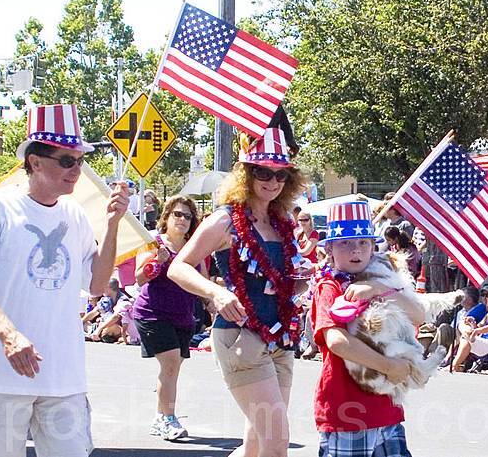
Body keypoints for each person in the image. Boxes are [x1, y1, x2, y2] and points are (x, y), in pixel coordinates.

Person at [0, 104, 129, 457]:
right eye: (67, 160)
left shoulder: (75, 216)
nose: (77, 169)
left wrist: (112, 225)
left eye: (80, 159)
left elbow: (96, 285)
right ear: (35, 161)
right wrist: (10, 335)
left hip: (63, 380)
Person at [168, 120, 307, 457]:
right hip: (240, 336)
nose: (272, 181)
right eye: (263, 172)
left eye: (280, 174)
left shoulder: (283, 222)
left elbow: (283, 278)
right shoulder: (225, 219)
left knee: (257, 443)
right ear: (246, 173)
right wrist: (215, 292)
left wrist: (299, 282)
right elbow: (178, 267)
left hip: (281, 338)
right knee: (277, 441)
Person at [312, 201, 424, 457]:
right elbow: (337, 341)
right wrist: (389, 367)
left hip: (386, 406)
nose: (356, 250)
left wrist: (378, 289)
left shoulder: (381, 282)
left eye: (363, 242)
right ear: (329, 248)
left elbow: (417, 314)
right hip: (347, 408)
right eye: (345, 243)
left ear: (374, 246)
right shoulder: (330, 286)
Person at [133, 194, 204, 441]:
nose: (182, 219)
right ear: (167, 216)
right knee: (171, 363)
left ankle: (158, 416)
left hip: (183, 316)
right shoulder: (153, 242)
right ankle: (168, 419)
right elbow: (139, 278)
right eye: (178, 214)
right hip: (152, 313)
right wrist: (157, 261)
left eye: (187, 216)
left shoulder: (194, 247)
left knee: (171, 370)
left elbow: (201, 280)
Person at [450, 288, 488, 372]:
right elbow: (478, 327)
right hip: (485, 344)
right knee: (465, 335)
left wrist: (475, 331)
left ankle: (454, 365)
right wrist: (472, 323)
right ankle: (455, 365)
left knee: (466, 337)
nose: (486, 298)